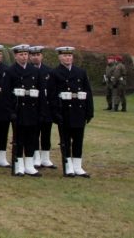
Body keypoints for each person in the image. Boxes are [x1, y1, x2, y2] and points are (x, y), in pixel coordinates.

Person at [49, 46, 93, 177]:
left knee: (78, 140)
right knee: (66, 141)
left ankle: (78, 166)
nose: (67, 58)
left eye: (69, 56)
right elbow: (52, 95)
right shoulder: (55, 73)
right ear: (60, 57)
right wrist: (55, 113)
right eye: (64, 56)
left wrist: (89, 111)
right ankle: (68, 166)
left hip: (79, 110)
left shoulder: (80, 72)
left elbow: (88, 92)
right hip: (64, 112)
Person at [7, 44, 44, 177]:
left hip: (32, 109)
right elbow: (7, 94)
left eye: (25, 54)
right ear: (16, 56)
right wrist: (11, 111)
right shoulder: (11, 71)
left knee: (32, 138)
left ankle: (29, 164)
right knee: (19, 139)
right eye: (21, 54)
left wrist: (41, 111)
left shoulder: (35, 71)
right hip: (19, 110)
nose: (24, 57)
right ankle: (19, 164)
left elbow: (41, 93)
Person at [29, 46, 56, 168]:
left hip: (47, 107)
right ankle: (36, 157)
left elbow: (52, 92)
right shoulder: (28, 70)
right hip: (33, 107)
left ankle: (46, 157)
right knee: (34, 133)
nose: (35, 57)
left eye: (38, 55)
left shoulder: (49, 71)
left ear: (42, 56)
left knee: (46, 133)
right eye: (33, 55)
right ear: (30, 57)